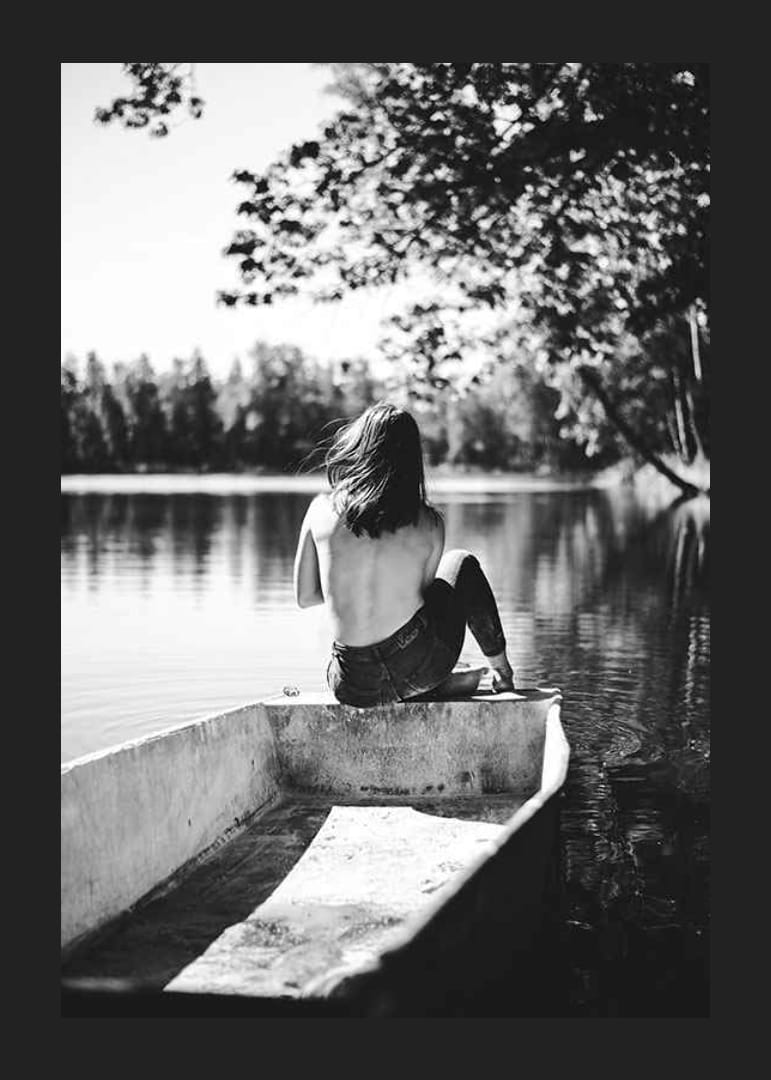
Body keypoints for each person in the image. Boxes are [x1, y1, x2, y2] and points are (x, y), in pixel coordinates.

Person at [293, 401, 515, 707]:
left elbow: (305, 596)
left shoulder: (321, 509)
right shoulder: (430, 523)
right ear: (412, 459)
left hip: (350, 684)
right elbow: (419, 602)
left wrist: (346, 587)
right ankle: (500, 672)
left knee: (387, 662)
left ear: (361, 448)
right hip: (419, 667)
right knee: (460, 563)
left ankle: (428, 682)